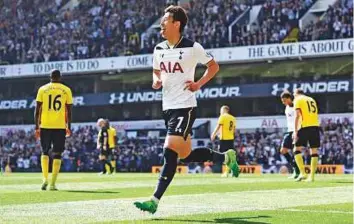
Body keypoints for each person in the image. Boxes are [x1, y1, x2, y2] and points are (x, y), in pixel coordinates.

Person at [134, 5, 238, 214]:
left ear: (176, 24)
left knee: (169, 150)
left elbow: (214, 66)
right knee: (187, 155)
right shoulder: (159, 49)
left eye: (165, 20)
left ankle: (154, 200)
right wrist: (156, 80)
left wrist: (198, 84)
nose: (161, 23)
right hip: (167, 107)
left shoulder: (193, 47)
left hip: (185, 106)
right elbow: (156, 71)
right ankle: (227, 157)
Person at [34, 69, 73, 191]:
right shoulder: (66, 90)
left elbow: (37, 110)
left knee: (44, 152)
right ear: (60, 77)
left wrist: (37, 126)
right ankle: (52, 184)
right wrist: (69, 126)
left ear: (50, 77)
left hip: (45, 125)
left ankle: (45, 179)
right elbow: (69, 110)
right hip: (60, 126)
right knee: (57, 154)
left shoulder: (42, 89)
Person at [292, 89, 320, 182]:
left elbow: (297, 116)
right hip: (315, 126)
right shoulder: (311, 99)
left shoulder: (297, 100)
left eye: (293, 95)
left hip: (304, 126)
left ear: (296, 94)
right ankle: (311, 177)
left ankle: (303, 173)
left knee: (296, 149)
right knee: (314, 151)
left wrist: (295, 131)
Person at [211, 105, 239, 177]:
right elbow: (234, 130)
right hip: (231, 139)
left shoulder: (222, 117)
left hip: (224, 139)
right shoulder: (233, 118)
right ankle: (233, 170)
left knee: (224, 156)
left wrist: (213, 134)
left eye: (221, 110)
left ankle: (227, 172)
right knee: (230, 155)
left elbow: (218, 126)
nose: (220, 112)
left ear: (224, 110)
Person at [280, 91, 300, 179]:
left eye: (284, 100)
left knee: (295, 151)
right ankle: (296, 168)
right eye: (282, 101)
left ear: (289, 98)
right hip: (289, 131)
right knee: (283, 150)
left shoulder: (297, 105)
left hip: (296, 131)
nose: (283, 103)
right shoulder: (287, 108)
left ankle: (298, 171)